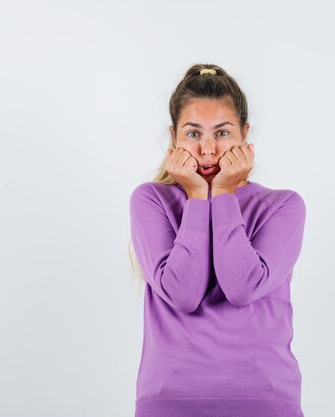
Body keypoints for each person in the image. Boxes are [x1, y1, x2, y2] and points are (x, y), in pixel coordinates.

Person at [129, 64, 307, 417]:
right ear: (174, 138)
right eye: (193, 134)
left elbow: (242, 287)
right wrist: (198, 197)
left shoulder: (284, 206)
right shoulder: (151, 200)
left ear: (245, 135)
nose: (208, 150)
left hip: (265, 402)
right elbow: (183, 293)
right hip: (169, 404)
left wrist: (223, 193)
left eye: (222, 133)